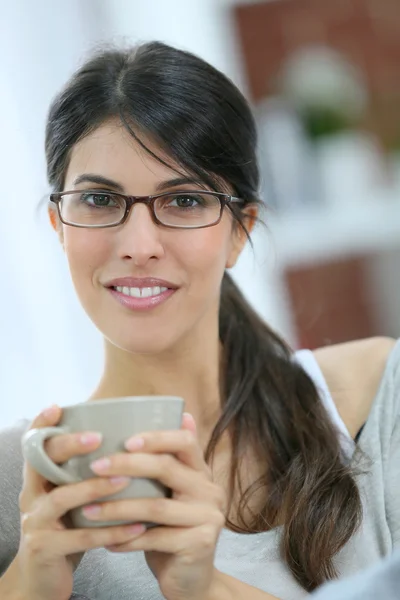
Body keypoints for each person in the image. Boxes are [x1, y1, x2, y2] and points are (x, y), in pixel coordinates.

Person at [0, 41, 398, 600]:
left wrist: (206, 588)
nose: (139, 245)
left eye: (184, 201)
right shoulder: (15, 486)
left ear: (241, 229)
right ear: (58, 223)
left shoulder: (378, 396)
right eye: (98, 200)